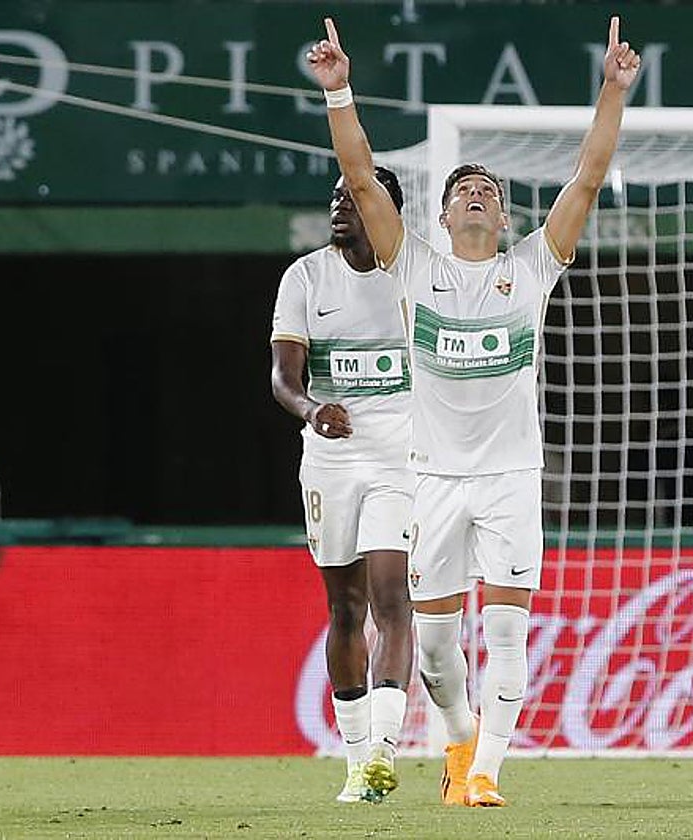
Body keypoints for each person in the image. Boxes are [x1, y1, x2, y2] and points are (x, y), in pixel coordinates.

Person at [305, 15, 640, 806]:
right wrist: (340, 92)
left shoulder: (530, 271)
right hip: (434, 479)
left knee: (508, 628)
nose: (476, 194)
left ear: (504, 217)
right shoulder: (412, 267)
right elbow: (359, 179)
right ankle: (459, 738)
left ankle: (486, 772)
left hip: (511, 477)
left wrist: (613, 92)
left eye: (488, 190)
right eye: (463, 190)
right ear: (444, 214)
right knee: (435, 647)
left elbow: (587, 178)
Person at [270, 169, 413, 804]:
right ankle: (356, 763)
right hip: (329, 462)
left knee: (391, 597)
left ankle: (384, 749)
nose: (339, 207)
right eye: (334, 197)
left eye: (353, 198)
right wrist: (310, 411)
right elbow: (282, 378)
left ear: (383, 210)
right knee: (345, 607)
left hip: (401, 458)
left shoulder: (414, 274)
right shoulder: (305, 278)